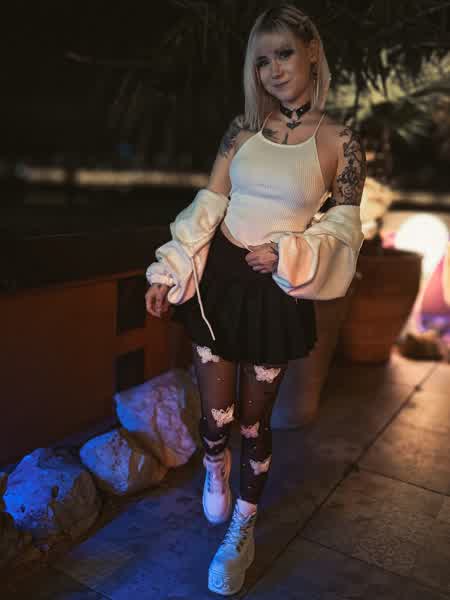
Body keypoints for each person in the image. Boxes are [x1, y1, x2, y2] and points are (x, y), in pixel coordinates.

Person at [145, 4, 366, 595]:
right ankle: (212, 462)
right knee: (216, 417)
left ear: (312, 52)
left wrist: (288, 252)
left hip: (275, 292)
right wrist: (168, 271)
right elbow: (209, 206)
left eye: (284, 53)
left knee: (253, 421)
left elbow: (344, 230)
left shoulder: (341, 141)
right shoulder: (241, 132)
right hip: (219, 283)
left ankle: (241, 529)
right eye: (262, 61)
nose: (273, 70)